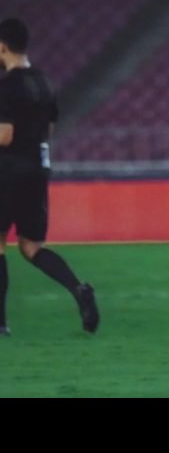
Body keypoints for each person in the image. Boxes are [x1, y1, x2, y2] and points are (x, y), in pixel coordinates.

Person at [0, 18, 99, 336]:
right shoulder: (45, 81)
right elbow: (50, 128)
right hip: (38, 166)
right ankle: (79, 288)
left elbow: (4, 135)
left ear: (2, 46)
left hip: (9, 168)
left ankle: (1, 324)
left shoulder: (6, 85)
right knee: (31, 246)